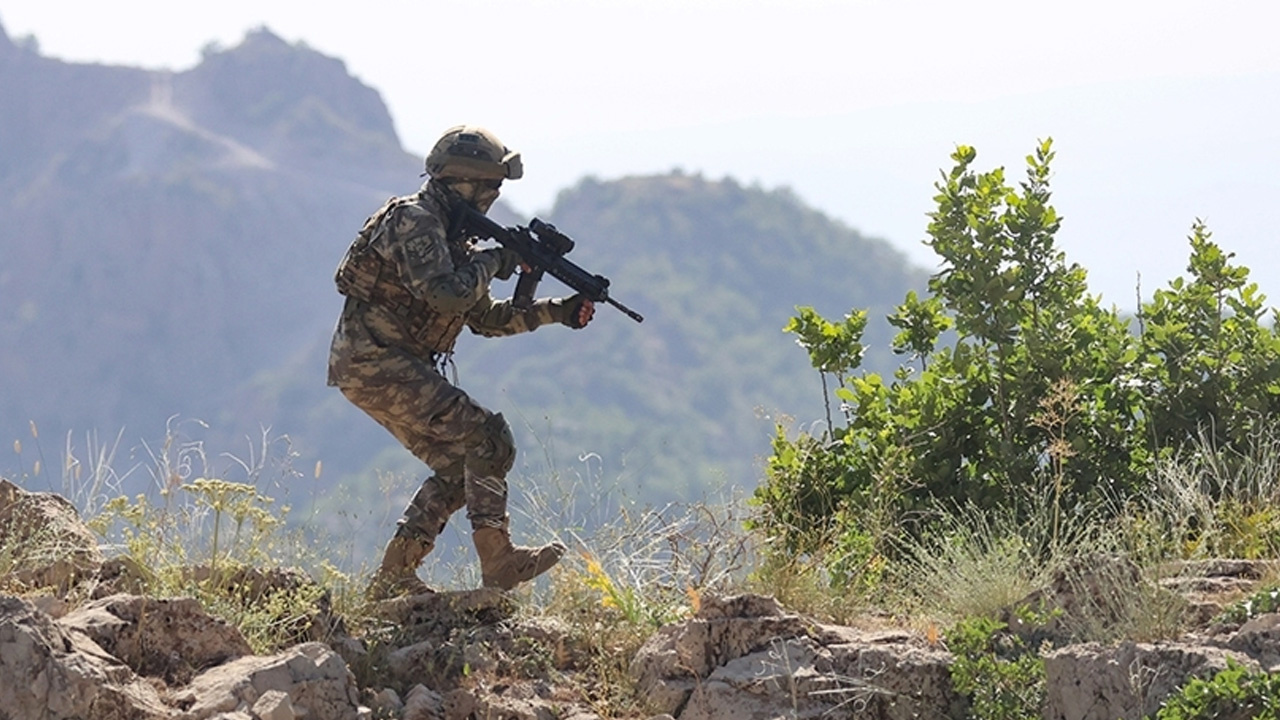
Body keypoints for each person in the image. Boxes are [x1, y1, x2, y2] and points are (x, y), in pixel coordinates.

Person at [327, 125, 595, 599]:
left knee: (460, 469)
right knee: (489, 439)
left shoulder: (451, 239)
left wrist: (559, 311)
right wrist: (497, 261)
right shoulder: (416, 221)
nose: (493, 196)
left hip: (380, 365)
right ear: (462, 182)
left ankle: (393, 578)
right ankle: (499, 562)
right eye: (490, 186)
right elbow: (447, 295)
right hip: (375, 361)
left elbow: (486, 319)